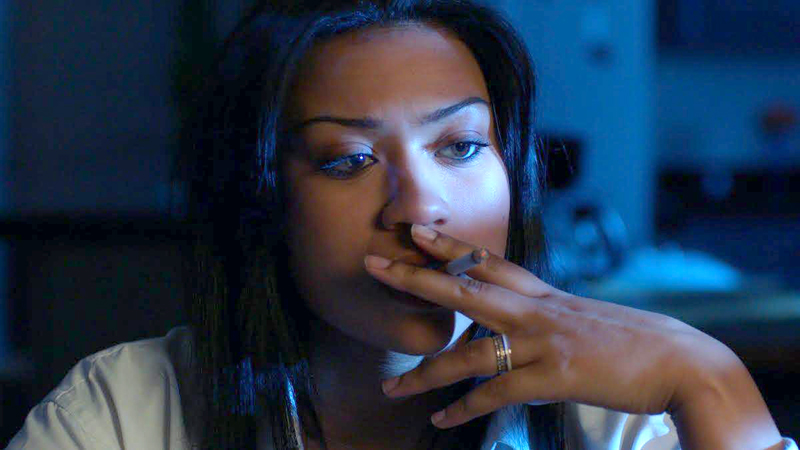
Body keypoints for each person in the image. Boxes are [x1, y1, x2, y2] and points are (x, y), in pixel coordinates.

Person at [7, 1, 797, 449]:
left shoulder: (617, 421)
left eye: (460, 147)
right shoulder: (125, 414)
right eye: (348, 160)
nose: (418, 208)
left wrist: (710, 378)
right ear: (263, 199)